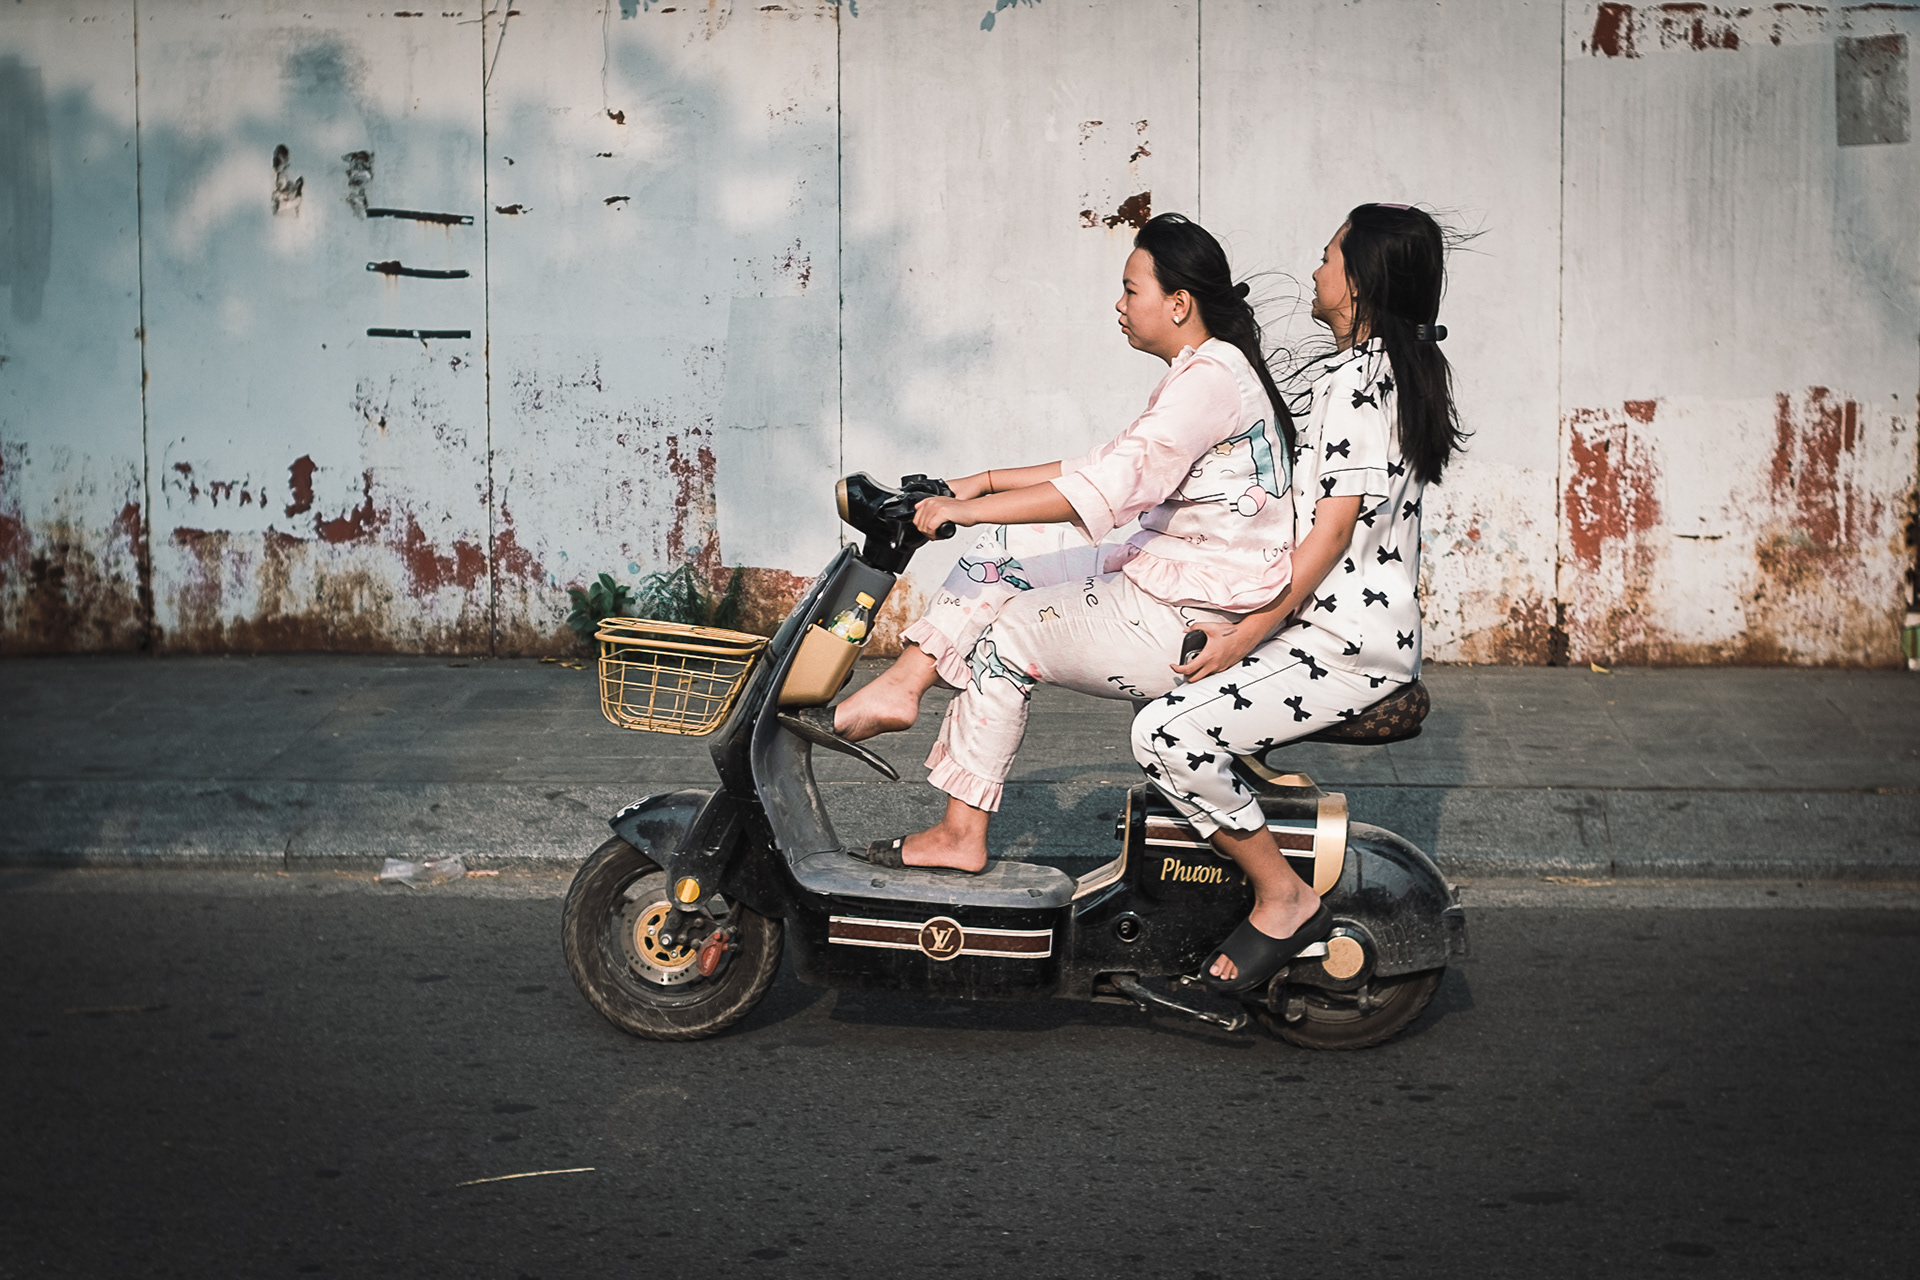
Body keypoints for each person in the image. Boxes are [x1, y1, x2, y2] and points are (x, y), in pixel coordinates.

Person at [822, 213, 1296, 873]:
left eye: (1131, 289)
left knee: (1005, 635)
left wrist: (963, 509)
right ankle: (903, 685)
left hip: (1188, 615)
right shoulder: (1207, 371)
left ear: (1179, 303)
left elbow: (1110, 486)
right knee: (1002, 551)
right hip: (1172, 578)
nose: (1119, 304)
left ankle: (960, 835)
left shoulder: (1209, 380)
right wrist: (980, 484)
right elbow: (1103, 462)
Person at [1130, 203, 1468, 993]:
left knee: (1165, 736)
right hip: (1351, 634)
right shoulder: (1393, 374)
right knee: (1174, 689)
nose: (1315, 270)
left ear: (1360, 282)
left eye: (1328, 257)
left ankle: (1283, 898)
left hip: (1341, 647)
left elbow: (1329, 534)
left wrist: (1245, 635)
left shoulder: (1358, 383)